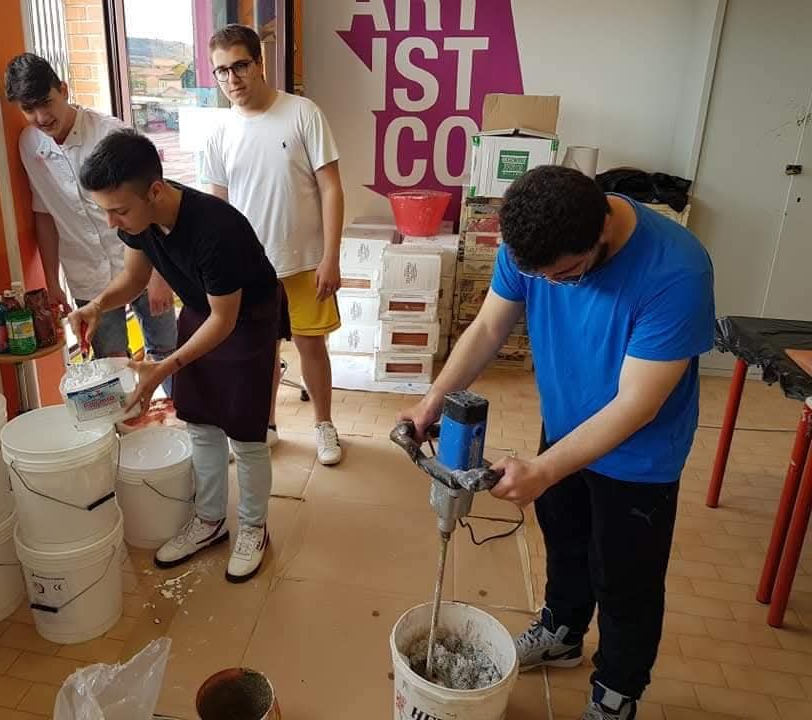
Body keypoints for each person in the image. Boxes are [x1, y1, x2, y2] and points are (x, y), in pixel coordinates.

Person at [399, 166, 715, 720]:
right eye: (539, 277)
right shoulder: (532, 243)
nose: (551, 285)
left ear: (602, 232)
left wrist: (543, 470)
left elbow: (637, 404)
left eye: (564, 276)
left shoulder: (676, 270)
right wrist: (432, 403)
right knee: (564, 539)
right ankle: (564, 632)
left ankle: (616, 691)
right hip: (565, 427)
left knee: (624, 579)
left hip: (639, 457)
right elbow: (488, 328)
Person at [70, 128, 290, 582]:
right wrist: (96, 305)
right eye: (105, 211)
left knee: (246, 436)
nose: (112, 222)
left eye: (119, 210)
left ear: (154, 191)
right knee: (201, 425)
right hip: (201, 309)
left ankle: (253, 527)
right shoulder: (139, 221)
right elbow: (134, 280)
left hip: (247, 318)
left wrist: (162, 369)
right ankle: (209, 521)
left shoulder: (217, 229)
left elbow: (225, 321)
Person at [201, 24, 345, 466]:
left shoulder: (302, 112)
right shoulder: (219, 131)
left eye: (240, 66)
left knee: (311, 345)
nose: (232, 79)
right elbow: (216, 208)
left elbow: (331, 188)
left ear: (259, 63)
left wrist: (331, 257)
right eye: (222, 71)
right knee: (257, 351)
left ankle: (324, 425)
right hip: (250, 269)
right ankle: (265, 427)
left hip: (305, 261)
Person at [5, 53, 178, 397]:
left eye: (46, 103)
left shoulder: (111, 134)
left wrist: (161, 274)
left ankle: (183, 420)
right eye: (29, 109)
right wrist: (51, 282)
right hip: (86, 274)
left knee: (167, 352)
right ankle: (129, 424)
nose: (41, 117)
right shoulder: (29, 145)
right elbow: (44, 214)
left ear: (63, 90)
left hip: (141, 263)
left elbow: (154, 204)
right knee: (110, 365)